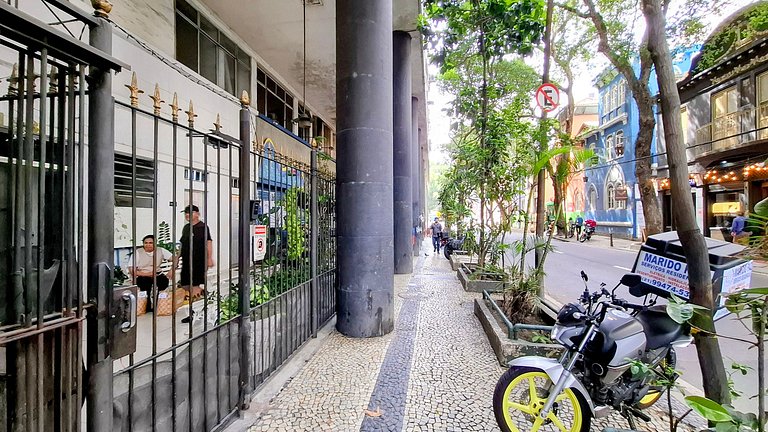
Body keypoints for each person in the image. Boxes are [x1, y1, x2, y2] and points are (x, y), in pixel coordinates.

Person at [180, 205, 214, 323]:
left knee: (194, 286)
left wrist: (209, 258)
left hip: (199, 261)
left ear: (197, 214)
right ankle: (203, 293)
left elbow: (208, 242)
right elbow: (182, 245)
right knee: (185, 285)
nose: (187, 215)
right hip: (186, 262)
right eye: (186, 213)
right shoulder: (186, 228)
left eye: (190, 212)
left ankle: (193, 313)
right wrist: (176, 259)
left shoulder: (203, 227)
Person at [128, 234, 176, 312]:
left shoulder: (161, 250)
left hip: (157, 274)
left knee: (163, 282)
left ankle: (159, 306)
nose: (148, 245)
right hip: (143, 275)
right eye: (146, 243)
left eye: (150, 243)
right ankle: (145, 307)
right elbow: (131, 269)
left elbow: (175, 259)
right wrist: (147, 274)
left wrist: (171, 271)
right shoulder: (138, 252)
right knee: (144, 285)